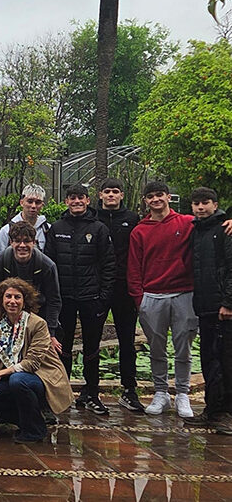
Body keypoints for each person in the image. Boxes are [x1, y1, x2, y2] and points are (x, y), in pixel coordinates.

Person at [0, 278, 73, 444]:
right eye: (8, 296)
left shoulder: (37, 324)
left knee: (18, 380)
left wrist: (1, 373)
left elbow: (32, 363)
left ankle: (33, 431)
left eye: (17, 297)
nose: (12, 301)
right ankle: (30, 421)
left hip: (41, 378)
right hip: (14, 379)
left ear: (25, 301)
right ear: (1, 300)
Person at [128, 181, 198, 417]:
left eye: (160, 195)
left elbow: (211, 224)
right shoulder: (140, 230)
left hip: (184, 294)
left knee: (183, 348)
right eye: (151, 196)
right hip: (152, 297)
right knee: (156, 348)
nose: (156, 200)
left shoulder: (187, 223)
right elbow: (134, 267)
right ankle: (160, 393)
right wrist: (140, 299)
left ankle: (182, 394)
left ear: (169, 197)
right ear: (145, 201)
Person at [44, 184, 115, 415]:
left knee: (91, 348)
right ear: (66, 201)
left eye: (80, 198)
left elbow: (108, 265)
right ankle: (62, 395)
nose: (76, 201)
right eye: (72, 198)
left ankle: (91, 393)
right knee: (62, 349)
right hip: (64, 299)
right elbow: (49, 265)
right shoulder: (56, 228)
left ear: (87, 200)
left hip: (91, 297)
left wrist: (104, 297)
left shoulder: (99, 229)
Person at [185, 187, 232, 433]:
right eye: (196, 204)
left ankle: (225, 413)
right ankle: (212, 410)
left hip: (222, 309)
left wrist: (228, 302)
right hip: (203, 306)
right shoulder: (197, 231)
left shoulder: (225, 230)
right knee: (209, 360)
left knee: (225, 361)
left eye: (205, 203)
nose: (200, 207)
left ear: (215, 204)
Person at [96, 178, 144, 412]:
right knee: (92, 340)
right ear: (100, 195)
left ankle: (129, 389)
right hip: (98, 287)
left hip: (125, 287)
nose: (111, 195)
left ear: (122, 195)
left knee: (127, 341)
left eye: (115, 191)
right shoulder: (92, 217)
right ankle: (90, 390)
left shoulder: (132, 219)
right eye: (107, 191)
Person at [0, 221, 62, 352]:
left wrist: (51, 333)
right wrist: (1, 322)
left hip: (39, 318)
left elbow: (54, 300)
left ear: (34, 242)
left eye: (27, 241)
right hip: (8, 316)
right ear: (11, 242)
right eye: (17, 241)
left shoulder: (47, 265)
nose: (22, 245)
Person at [0, 184, 51, 253]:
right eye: (30, 201)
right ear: (22, 202)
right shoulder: (6, 231)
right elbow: (0, 259)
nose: (33, 206)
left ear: (42, 205)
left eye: (37, 202)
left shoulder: (48, 230)